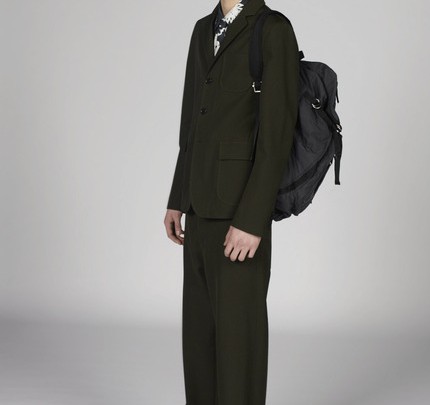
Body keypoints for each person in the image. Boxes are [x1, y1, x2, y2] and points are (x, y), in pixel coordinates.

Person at [163, 0, 299, 403]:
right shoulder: (202, 29)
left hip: (240, 212)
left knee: (239, 343)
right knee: (199, 340)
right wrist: (177, 197)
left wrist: (253, 220)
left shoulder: (272, 29)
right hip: (198, 205)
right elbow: (191, 121)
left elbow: (277, 135)